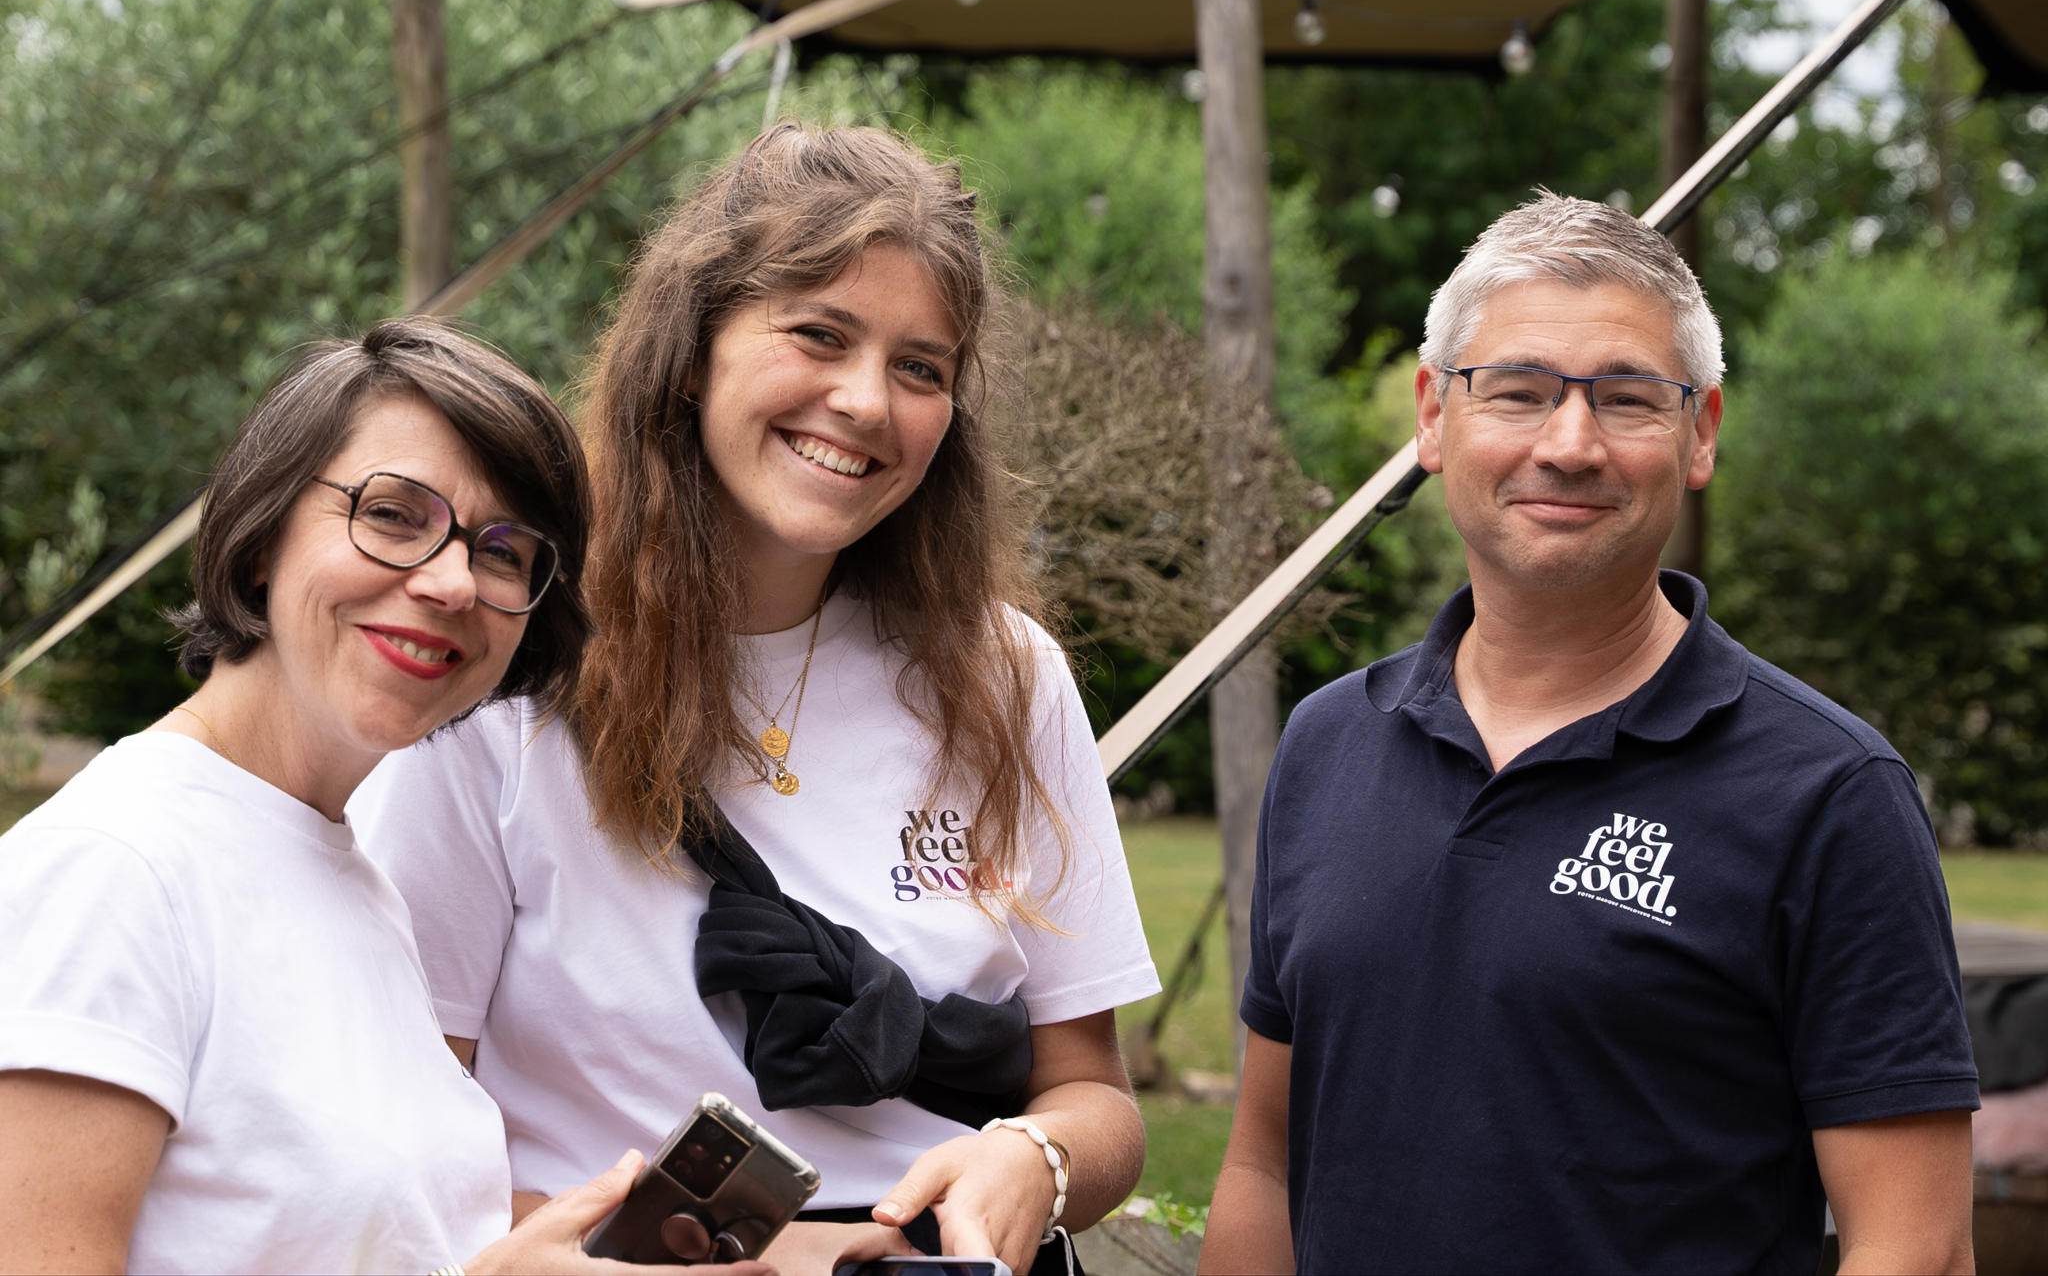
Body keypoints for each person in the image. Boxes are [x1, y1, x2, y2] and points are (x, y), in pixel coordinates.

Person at [351, 123, 1161, 1276]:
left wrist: (1036, 1152)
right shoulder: (504, 674)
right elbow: (403, 1134)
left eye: (920, 366)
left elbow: (1092, 1091)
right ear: (691, 353)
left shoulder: (1005, 674)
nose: (867, 402)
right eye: (817, 334)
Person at [1200, 193, 1979, 1275]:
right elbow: (1262, 1164)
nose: (1568, 445)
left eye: (1624, 398)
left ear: (1697, 432)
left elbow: (1916, 1247)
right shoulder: (1329, 743)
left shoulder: (1827, 791)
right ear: (1432, 415)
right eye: (1515, 391)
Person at [0, 319, 773, 1274]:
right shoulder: (112, 867)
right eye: (395, 513)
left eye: (503, 550)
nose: (452, 582)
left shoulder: (348, 870)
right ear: (258, 538)